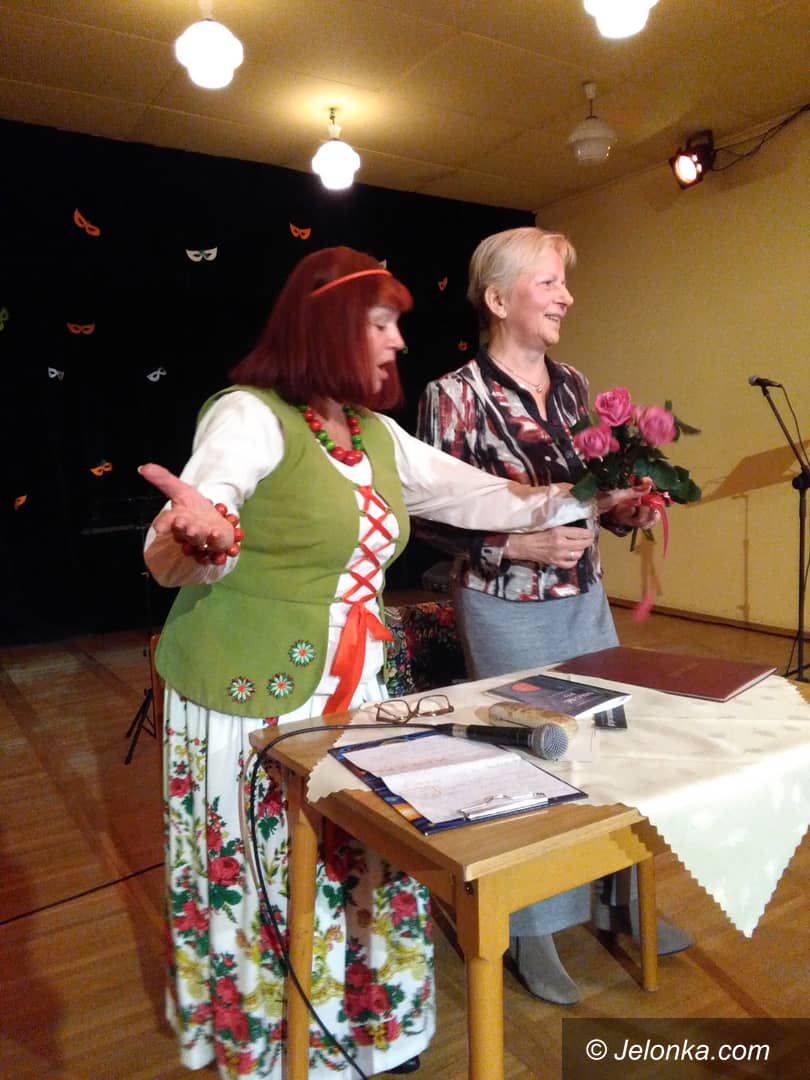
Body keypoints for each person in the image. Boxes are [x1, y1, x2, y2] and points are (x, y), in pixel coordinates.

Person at [139, 246, 639, 1079]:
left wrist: (588, 494)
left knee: (364, 852)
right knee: (264, 866)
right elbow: (187, 532)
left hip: (354, 688)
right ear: (324, 325)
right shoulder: (249, 416)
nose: (400, 341)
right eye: (382, 323)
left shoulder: (373, 433)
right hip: (250, 693)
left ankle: (367, 1030)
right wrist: (199, 537)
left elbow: (476, 491)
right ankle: (274, 1045)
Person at [415, 226, 691, 1006]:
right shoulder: (452, 395)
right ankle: (529, 928)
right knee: (530, 763)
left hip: (584, 599)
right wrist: (511, 543)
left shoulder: (573, 385)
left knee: (608, 748)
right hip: (505, 606)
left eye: (563, 282)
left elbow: (585, 496)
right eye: (548, 282)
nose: (566, 295)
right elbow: (425, 517)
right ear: (499, 299)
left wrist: (624, 511)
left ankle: (621, 900)